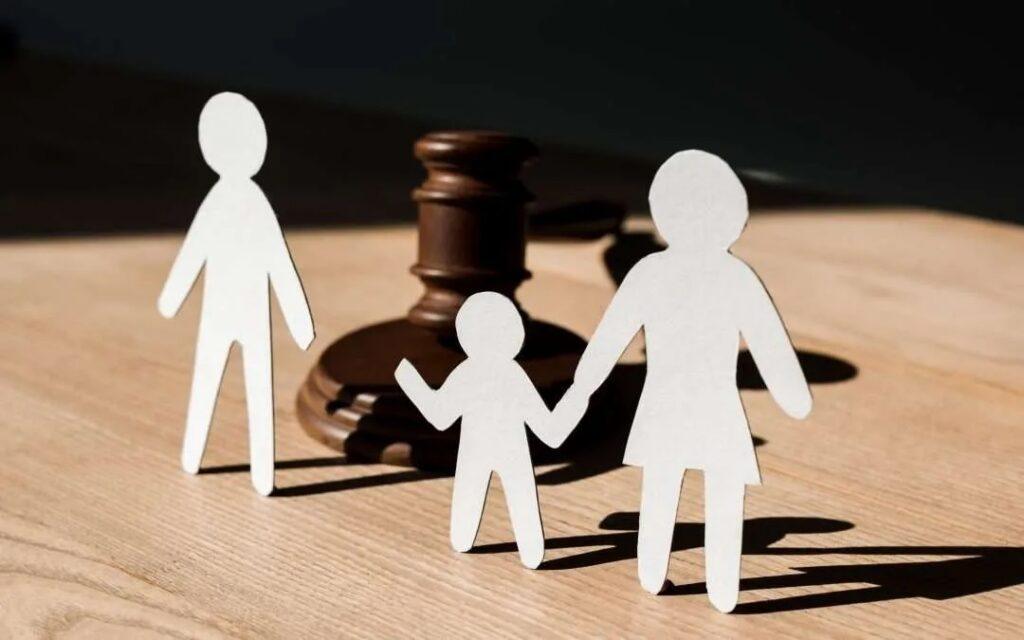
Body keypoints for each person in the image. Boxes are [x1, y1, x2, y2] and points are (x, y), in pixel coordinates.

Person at [561, 149, 812, 612]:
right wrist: (791, 393)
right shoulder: (731, 274)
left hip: (680, 405)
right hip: (701, 406)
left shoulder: (654, 271)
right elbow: (770, 344)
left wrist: (583, 387)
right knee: (709, 491)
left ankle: (673, 574)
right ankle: (695, 580)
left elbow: (610, 339)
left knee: (674, 486)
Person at [157, 92, 314, 497]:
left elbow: (278, 260)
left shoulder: (251, 204)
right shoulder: (223, 202)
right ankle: (196, 454)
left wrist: (298, 320)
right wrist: (172, 296)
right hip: (221, 312)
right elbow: (195, 250)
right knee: (212, 379)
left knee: (255, 386)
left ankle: (260, 472)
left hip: (247, 313)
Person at [394, 292, 585, 568]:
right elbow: (550, 430)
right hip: (502, 453)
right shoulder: (508, 373)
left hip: (484, 452)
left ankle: (517, 550)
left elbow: (439, 415)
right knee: (513, 502)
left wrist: (411, 382)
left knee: (481, 506)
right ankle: (528, 553)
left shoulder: (477, 372)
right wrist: (576, 399)